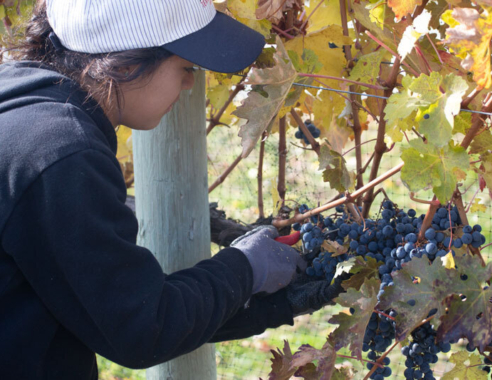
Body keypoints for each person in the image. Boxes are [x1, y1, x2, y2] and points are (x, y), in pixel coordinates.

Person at [0, 1, 347, 378]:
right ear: (126, 62)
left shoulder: (20, 104)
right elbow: (141, 328)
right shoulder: (63, 153)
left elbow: (110, 311)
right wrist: (245, 268)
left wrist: (275, 305)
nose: (188, 83)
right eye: (185, 67)